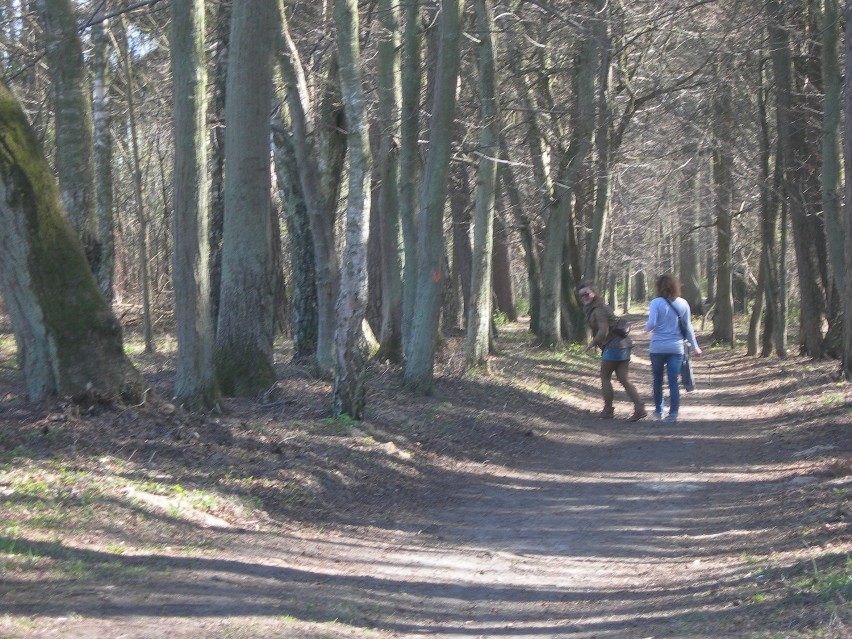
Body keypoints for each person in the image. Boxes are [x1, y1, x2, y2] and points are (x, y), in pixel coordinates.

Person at [578, 283, 647, 422]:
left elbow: (603, 330)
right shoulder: (599, 307)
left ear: (594, 293)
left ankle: (608, 409)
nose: (584, 297)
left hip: (614, 345)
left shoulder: (598, 309)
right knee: (623, 378)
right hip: (624, 345)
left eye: (587, 294)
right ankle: (639, 408)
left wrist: (591, 344)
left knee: (605, 376)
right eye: (581, 295)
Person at [642, 274, 702, 423]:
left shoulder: (656, 302)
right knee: (673, 381)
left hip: (657, 347)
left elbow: (651, 323)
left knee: (657, 380)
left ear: (658, 287)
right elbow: (688, 328)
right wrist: (695, 347)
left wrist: (644, 330)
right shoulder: (683, 303)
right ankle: (673, 414)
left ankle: (659, 411)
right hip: (676, 348)